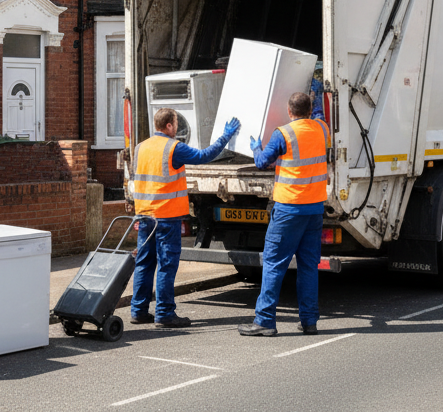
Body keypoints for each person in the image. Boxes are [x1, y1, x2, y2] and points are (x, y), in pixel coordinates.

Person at [129, 108, 240, 328]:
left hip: (144, 215)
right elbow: (205, 156)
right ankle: (164, 314)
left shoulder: (140, 147)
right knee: (167, 265)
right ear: (169, 126)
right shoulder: (173, 148)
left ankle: (138, 311)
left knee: (144, 263)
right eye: (176, 122)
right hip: (166, 217)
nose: (178, 126)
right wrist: (226, 136)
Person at [238, 92, 329, 337]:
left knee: (274, 264)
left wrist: (256, 147)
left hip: (289, 209)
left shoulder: (283, 134)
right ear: (310, 111)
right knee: (309, 266)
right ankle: (309, 322)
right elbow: (319, 115)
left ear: (289, 112)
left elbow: (262, 162)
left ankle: (265, 321)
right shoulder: (322, 129)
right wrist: (316, 95)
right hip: (314, 210)